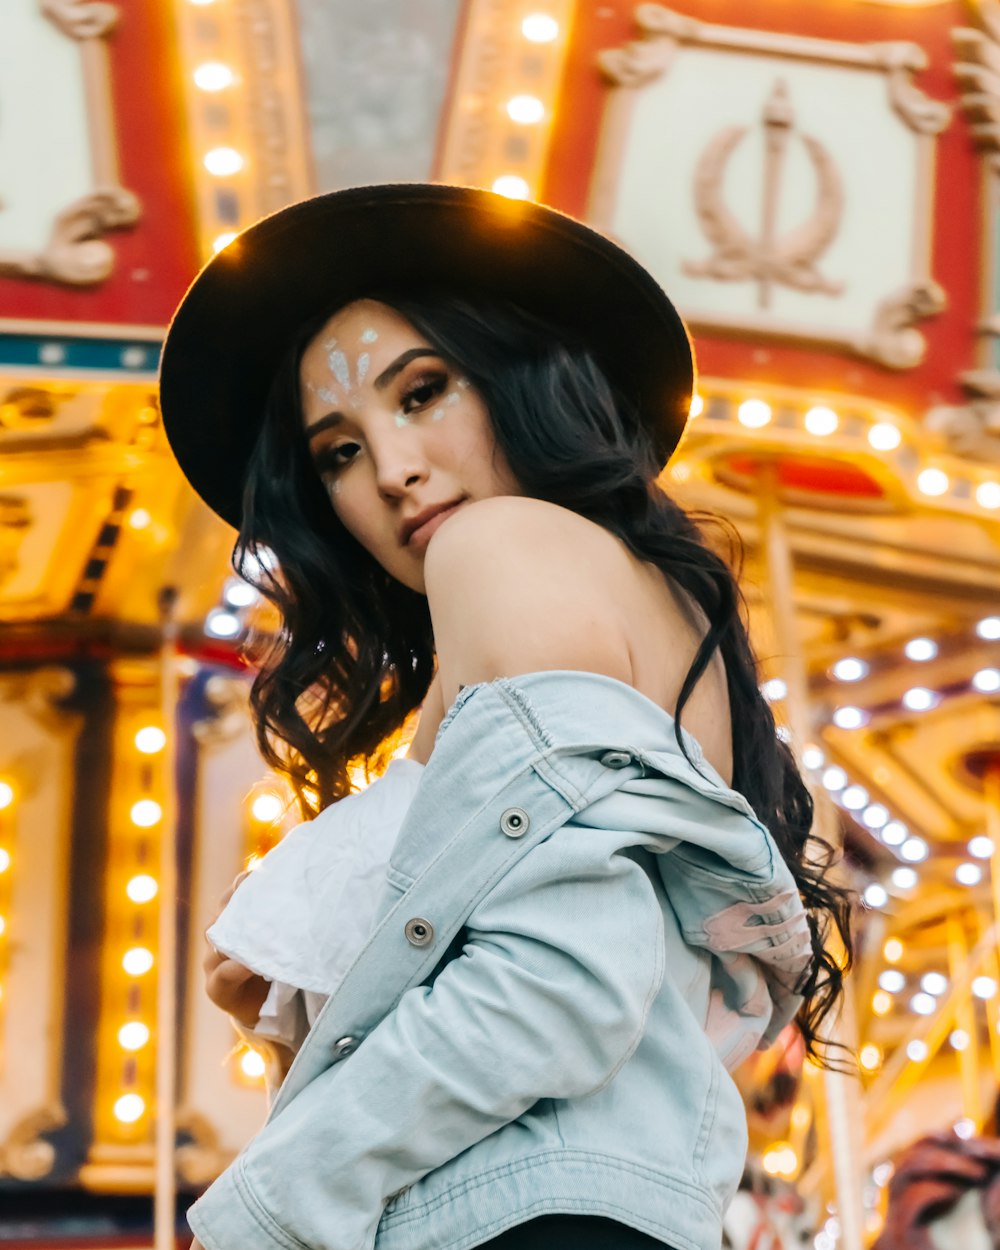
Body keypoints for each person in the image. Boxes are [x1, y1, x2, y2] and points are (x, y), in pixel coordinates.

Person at [158, 183, 854, 1250]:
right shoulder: (641, 595)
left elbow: (557, 983)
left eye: (424, 390)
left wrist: (260, 1209)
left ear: (521, 377)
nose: (391, 469)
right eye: (338, 449)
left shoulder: (501, 547)